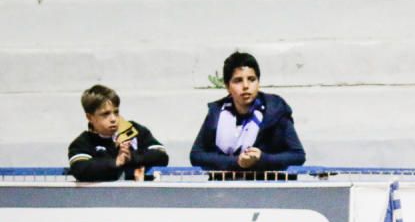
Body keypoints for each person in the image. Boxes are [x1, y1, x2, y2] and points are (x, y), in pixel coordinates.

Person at [189, 51, 305, 180]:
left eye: (251, 79)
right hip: (225, 192)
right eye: (238, 80)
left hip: (268, 191)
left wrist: (262, 158)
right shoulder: (216, 112)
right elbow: (196, 155)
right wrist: (236, 162)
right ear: (227, 86)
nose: (246, 86)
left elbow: (298, 155)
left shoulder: (276, 109)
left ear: (258, 82)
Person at [66, 85, 168, 181]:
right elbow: (80, 169)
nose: (113, 119)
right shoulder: (82, 143)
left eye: (116, 112)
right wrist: (116, 162)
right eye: (105, 114)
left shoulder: (134, 131)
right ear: (89, 117)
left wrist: (131, 158)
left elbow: (161, 155)